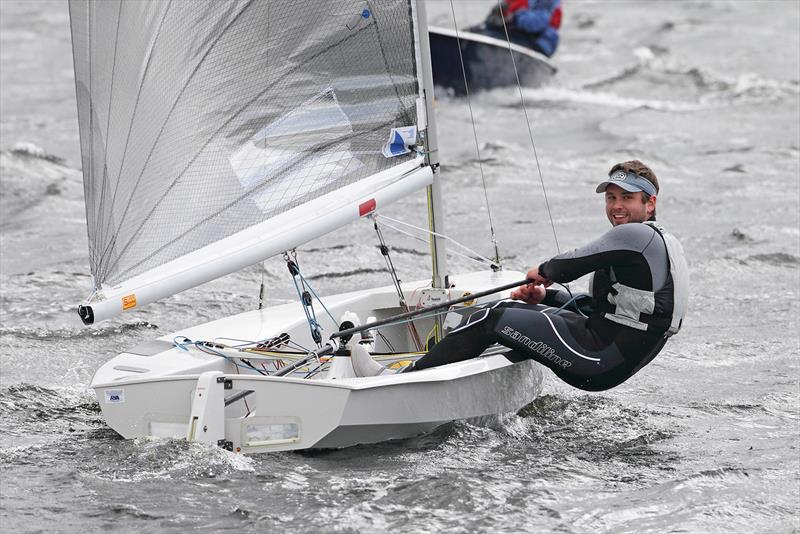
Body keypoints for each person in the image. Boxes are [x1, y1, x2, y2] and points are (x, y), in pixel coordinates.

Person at [351, 160, 689, 392]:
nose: (616, 206)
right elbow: (603, 308)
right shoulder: (658, 245)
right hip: (610, 357)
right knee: (518, 313)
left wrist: (543, 273)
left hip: (597, 359)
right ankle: (446, 365)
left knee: (493, 316)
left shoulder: (636, 235)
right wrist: (548, 297)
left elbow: (565, 266)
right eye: (611, 197)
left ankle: (400, 381)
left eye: (627, 198)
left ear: (650, 203)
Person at [483, 0, 562, 57]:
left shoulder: (547, 3)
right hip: (513, 38)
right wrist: (496, 16)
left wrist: (514, 18)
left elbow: (536, 22)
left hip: (538, 42)